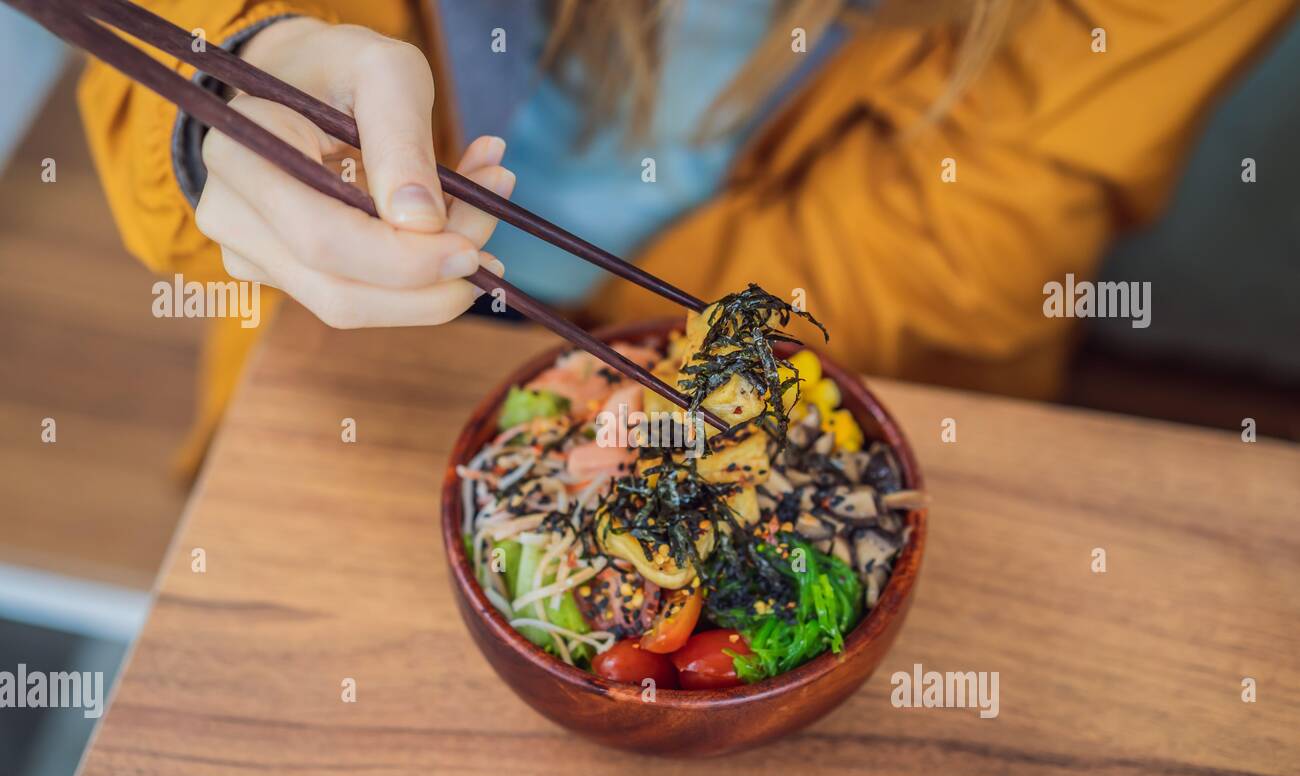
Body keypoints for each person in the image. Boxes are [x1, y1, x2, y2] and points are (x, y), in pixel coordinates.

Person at [76, 0, 1296, 468]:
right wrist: (237, 73)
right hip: (340, 350)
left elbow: (950, 263)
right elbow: (177, 48)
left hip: (803, 373)